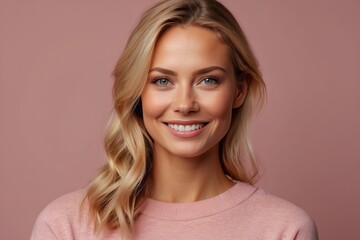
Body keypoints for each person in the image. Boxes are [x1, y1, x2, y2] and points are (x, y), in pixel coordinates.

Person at [31, 0, 318, 239]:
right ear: (137, 91)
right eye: (163, 81)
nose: (184, 104)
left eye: (208, 80)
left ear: (239, 90)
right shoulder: (65, 227)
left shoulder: (286, 229)